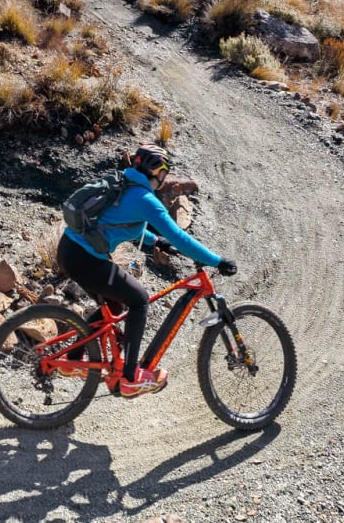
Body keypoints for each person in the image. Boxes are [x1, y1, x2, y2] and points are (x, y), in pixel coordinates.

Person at [57, 144, 237, 398]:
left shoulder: (125, 185)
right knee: (139, 300)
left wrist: (155, 241)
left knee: (115, 304)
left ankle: (73, 359)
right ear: (156, 171)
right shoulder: (145, 199)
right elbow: (178, 236)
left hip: (70, 251)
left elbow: (122, 224)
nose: (163, 179)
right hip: (86, 259)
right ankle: (131, 377)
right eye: (164, 172)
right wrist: (216, 260)